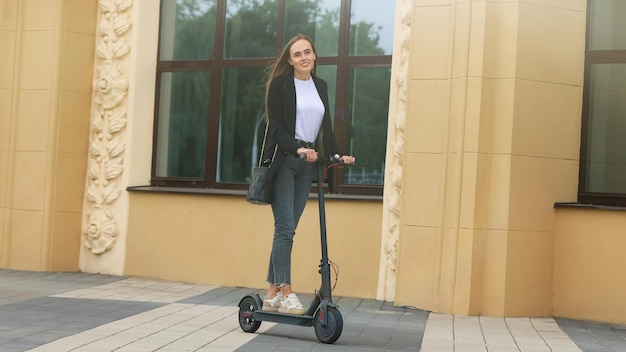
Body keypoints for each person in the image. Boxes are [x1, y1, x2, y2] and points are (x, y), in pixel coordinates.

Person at [261, 34, 355, 315]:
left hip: (307, 165)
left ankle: (270, 294)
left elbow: (325, 125)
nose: (303, 57)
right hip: (285, 161)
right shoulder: (280, 85)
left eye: (307, 52)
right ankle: (286, 291)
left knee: (286, 230)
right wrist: (298, 148)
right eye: (297, 54)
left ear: (314, 56)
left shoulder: (321, 86)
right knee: (285, 228)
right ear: (289, 61)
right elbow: (276, 128)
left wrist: (338, 154)